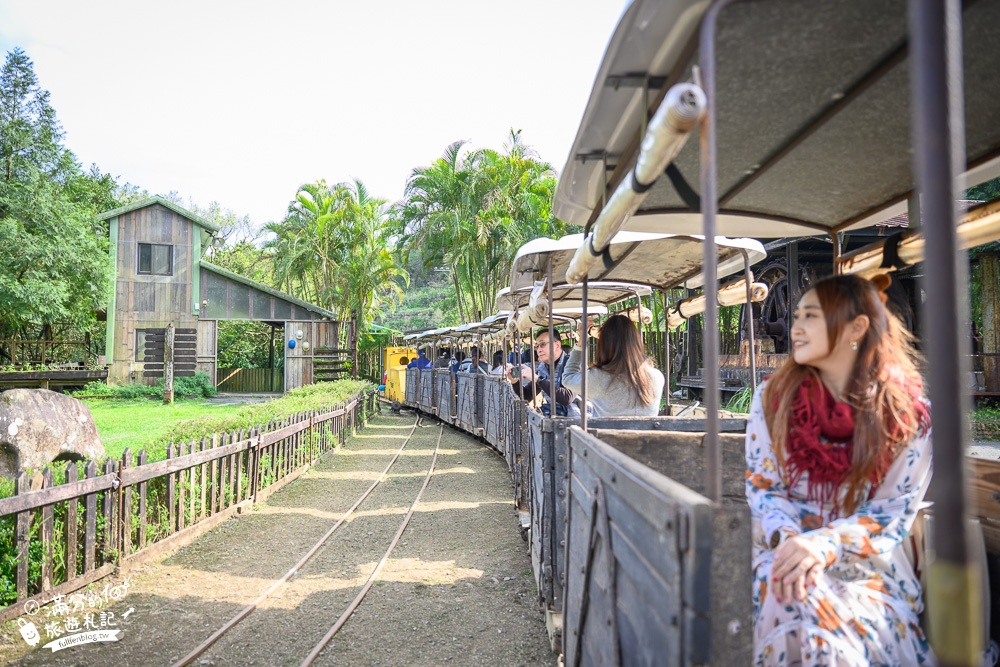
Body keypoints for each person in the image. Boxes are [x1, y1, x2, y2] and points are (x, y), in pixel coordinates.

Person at [746, 274, 933, 665]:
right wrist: (794, 543)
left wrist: (824, 544)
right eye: (797, 315)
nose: (795, 327)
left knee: (806, 603)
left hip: (868, 571)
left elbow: (891, 512)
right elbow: (765, 490)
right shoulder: (772, 400)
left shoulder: (905, 415)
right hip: (783, 555)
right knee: (790, 588)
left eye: (810, 316)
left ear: (856, 328)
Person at [562, 315, 664, 417]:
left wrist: (581, 342)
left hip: (604, 432)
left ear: (604, 345)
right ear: (636, 342)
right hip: (647, 433)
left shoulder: (598, 377)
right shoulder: (657, 377)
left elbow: (568, 378)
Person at [509, 329, 580, 418]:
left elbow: (567, 398)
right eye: (537, 346)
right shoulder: (543, 368)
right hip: (556, 421)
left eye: (542, 345)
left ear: (557, 345)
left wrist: (537, 378)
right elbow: (527, 396)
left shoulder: (574, 365)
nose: (539, 350)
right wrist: (514, 381)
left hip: (579, 424)